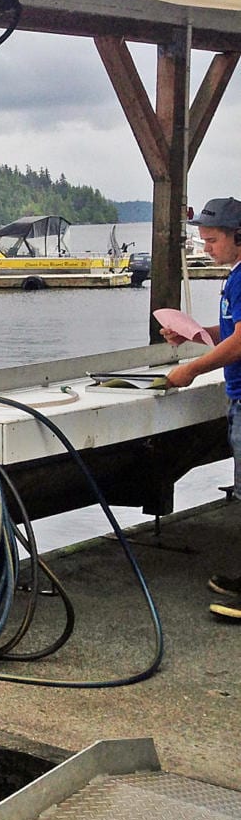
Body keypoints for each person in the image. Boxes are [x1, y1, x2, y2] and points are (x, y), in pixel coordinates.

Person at [160, 196, 241, 613]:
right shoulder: (235, 278)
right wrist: (196, 333)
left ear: (238, 237)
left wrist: (193, 369)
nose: (206, 248)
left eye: (212, 240)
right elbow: (232, 330)